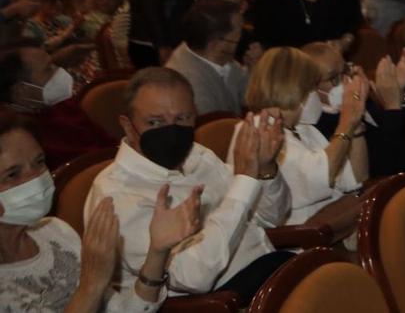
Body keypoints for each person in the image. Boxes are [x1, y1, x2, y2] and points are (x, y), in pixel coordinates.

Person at [86, 68, 292, 301]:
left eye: (182, 118)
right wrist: (244, 182)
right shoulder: (116, 195)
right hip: (221, 299)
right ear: (127, 125)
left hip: (269, 266)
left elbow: (271, 217)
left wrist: (264, 169)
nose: (171, 130)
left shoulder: (197, 155)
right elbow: (191, 278)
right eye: (155, 121)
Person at [0, 112, 202, 313]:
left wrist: (157, 251)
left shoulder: (55, 231)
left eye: (39, 162)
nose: (35, 178)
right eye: (12, 174)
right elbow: (92, 288)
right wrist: (91, 284)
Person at [235, 48, 367, 240]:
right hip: (302, 241)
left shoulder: (303, 128)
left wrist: (356, 126)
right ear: (292, 88)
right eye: (311, 88)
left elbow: (356, 179)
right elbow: (323, 177)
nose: (315, 95)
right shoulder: (257, 130)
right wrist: (346, 122)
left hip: (338, 227)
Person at [301, 42, 405, 178]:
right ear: (309, 87)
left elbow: (404, 149)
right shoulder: (318, 127)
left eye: (346, 70)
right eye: (334, 78)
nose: (346, 81)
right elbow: (382, 169)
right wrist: (392, 106)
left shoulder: (360, 101)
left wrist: (398, 95)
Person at [0, 39, 115, 168]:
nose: (59, 72)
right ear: (21, 91)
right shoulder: (18, 136)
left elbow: (108, 143)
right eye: (49, 69)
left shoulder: (62, 104)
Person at [164, 0, 258, 116]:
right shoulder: (188, 85)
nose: (243, 38)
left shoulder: (222, 59)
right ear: (215, 44)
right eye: (239, 34)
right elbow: (216, 128)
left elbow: (250, 98)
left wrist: (254, 71)